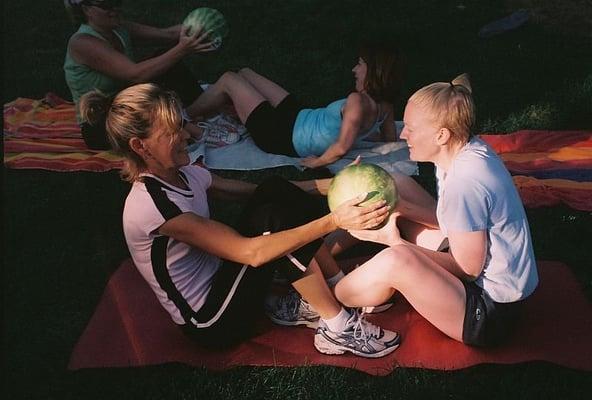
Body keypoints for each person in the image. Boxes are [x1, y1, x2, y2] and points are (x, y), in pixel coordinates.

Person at [79, 82, 401, 357]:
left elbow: (254, 192)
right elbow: (252, 253)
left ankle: (339, 288)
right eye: (172, 132)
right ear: (140, 146)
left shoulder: (183, 172)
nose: (187, 135)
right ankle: (338, 329)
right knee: (273, 221)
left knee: (273, 192)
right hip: (211, 321)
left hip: (226, 283)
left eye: (181, 124)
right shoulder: (154, 206)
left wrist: (328, 186)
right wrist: (334, 220)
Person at [303, 74, 539, 347]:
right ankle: (321, 255)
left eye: (411, 129)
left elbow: (468, 270)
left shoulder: (464, 184)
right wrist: (395, 203)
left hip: (489, 314)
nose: (403, 134)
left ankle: (326, 294)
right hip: (482, 277)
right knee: (396, 185)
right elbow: (453, 224)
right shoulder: (463, 150)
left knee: (396, 259)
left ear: (441, 135)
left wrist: (393, 241)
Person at [185, 42, 405, 168]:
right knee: (245, 74)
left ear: (374, 71)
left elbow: (341, 147)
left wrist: (315, 163)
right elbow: (389, 141)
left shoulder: (357, 102)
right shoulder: (385, 107)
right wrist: (361, 133)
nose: (354, 70)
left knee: (228, 79)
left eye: (360, 65)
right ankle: (235, 114)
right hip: (299, 116)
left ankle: (183, 115)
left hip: (281, 135)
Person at [63, 0, 217, 150]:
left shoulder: (118, 28)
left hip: (127, 105)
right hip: (102, 125)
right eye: (107, 5)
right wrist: (183, 49)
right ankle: (195, 130)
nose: (115, 8)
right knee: (145, 90)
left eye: (117, 2)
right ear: (86, 9)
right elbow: (135, 74)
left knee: (164, 62)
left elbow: (167, 34)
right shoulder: (82, 43)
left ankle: (203, 113)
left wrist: (202, 26)